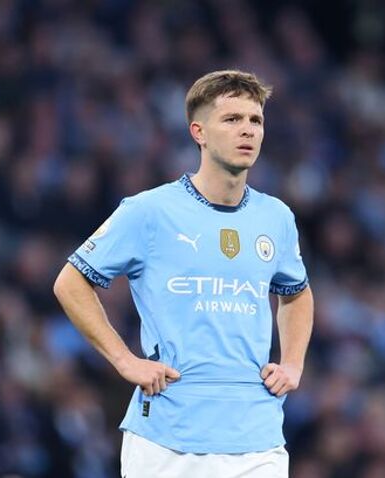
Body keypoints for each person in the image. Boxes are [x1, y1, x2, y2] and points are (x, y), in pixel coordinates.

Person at [53, 69, 314, 478]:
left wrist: (293, 364)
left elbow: (296, 293)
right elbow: (71, 282)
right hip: (167, 439)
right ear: (199, 132)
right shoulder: (149, 211)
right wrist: (125, 360)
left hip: (257, 440)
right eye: (232, 119)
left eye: (256, 120)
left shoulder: (276, 217)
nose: (248, 130)